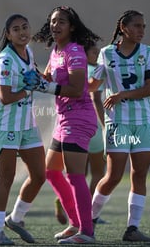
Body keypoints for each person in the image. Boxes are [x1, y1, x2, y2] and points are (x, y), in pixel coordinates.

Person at [23, 5, 101, 244]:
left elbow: (78, 90)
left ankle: (86, 232)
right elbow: (48, 78)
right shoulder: (56, 49)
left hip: (79, 118)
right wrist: (35, 76)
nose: (56, 25)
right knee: (50, 171)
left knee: (76, 176)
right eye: (53, 21)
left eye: (62, 22)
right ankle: (76, 223)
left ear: (72, 27)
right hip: (64, 118)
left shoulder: (75, 51)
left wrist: (46, 86)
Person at [89, 9, 150, 242]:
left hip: (144, 123)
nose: (142, 30)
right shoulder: (106, 53)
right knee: (113, 176)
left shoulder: (149, 52)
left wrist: (122, 95)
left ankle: (132, 229)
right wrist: (67, 74)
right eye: (137, 26)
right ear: (123, 28)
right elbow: (93, 86)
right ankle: (87, 222)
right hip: (118, 123)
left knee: (139, 176)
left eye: (144, 26)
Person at [0, 14, 46, 245]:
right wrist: (28, 88)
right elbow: (5, 98)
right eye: (16, 29)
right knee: (6, 177)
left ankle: (15, 218)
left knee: (40, 176)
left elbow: (35, 79)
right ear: (8, 34)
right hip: (6, 126)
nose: (22, 32)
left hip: (28, 125)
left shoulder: (29, 52)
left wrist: (45, 80)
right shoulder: (5, 59)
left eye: (25, 27)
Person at [53, 40, 107, 226]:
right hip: (91, 126)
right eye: (94, 51)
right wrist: (105, 125)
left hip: (74, 123)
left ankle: (66, 203)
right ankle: (88, 215)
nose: (97, 55)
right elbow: (96, 98)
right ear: (85, 53)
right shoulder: (92, 69)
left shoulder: (75, 66)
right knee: (98, 173)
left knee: (78, 175)